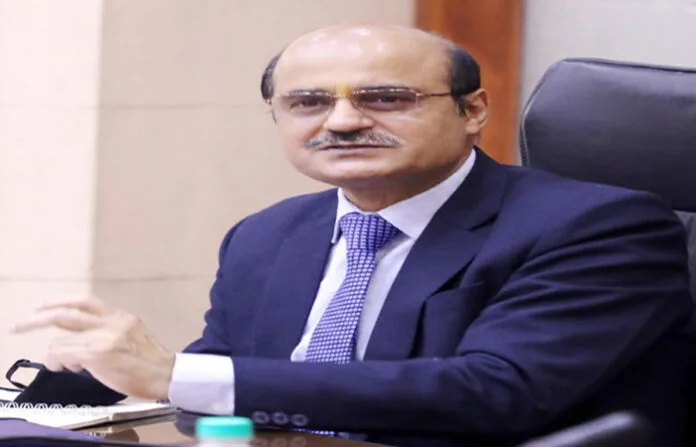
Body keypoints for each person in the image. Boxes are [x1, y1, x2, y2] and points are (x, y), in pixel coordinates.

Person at [11, 24, 695, 447]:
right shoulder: (267, 234)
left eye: (385, 98)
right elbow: (217, 391)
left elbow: (496, 391)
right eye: (307, 102)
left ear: (473, 110)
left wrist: (176, 376)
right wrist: (105, 380)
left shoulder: (599, 225)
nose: (340, 122)